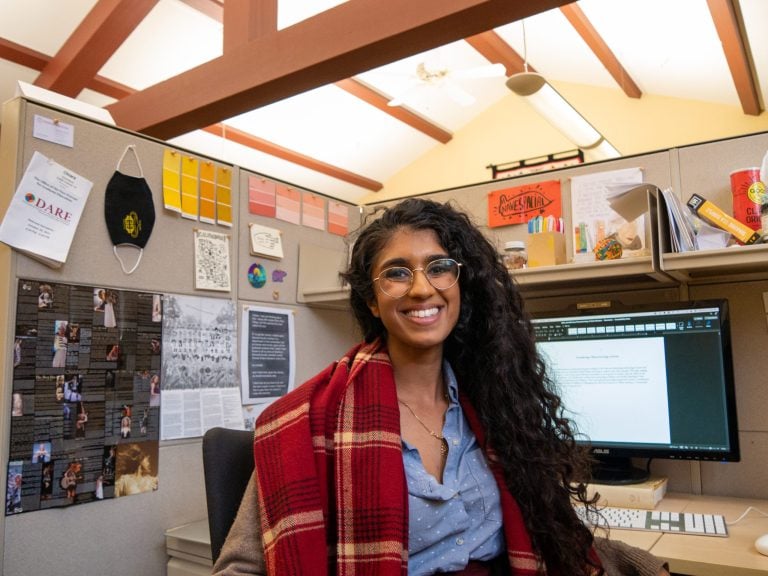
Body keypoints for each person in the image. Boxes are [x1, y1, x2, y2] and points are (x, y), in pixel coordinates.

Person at [213, 198, 669, 576]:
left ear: (460, 284)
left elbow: (557, 537)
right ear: (371, 300)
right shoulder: (311, 419)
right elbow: (240, 568)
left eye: (439, 267)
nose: (420, 289)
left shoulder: (495, 404)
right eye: (396, 272)